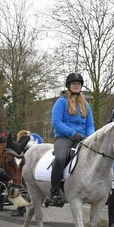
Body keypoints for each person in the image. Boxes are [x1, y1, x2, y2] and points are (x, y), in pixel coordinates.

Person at [48, 72, 95, 207]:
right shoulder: (61, 102)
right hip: (64, 137)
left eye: (78, 84)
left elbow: (90, 124)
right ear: (69, 85)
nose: (76, 86)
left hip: (83, 138)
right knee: (60, 158)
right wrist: (72, 133)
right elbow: (56, 122)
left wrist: (90, 137)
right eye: (74, 84)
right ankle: (54, 191)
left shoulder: (86, 105)